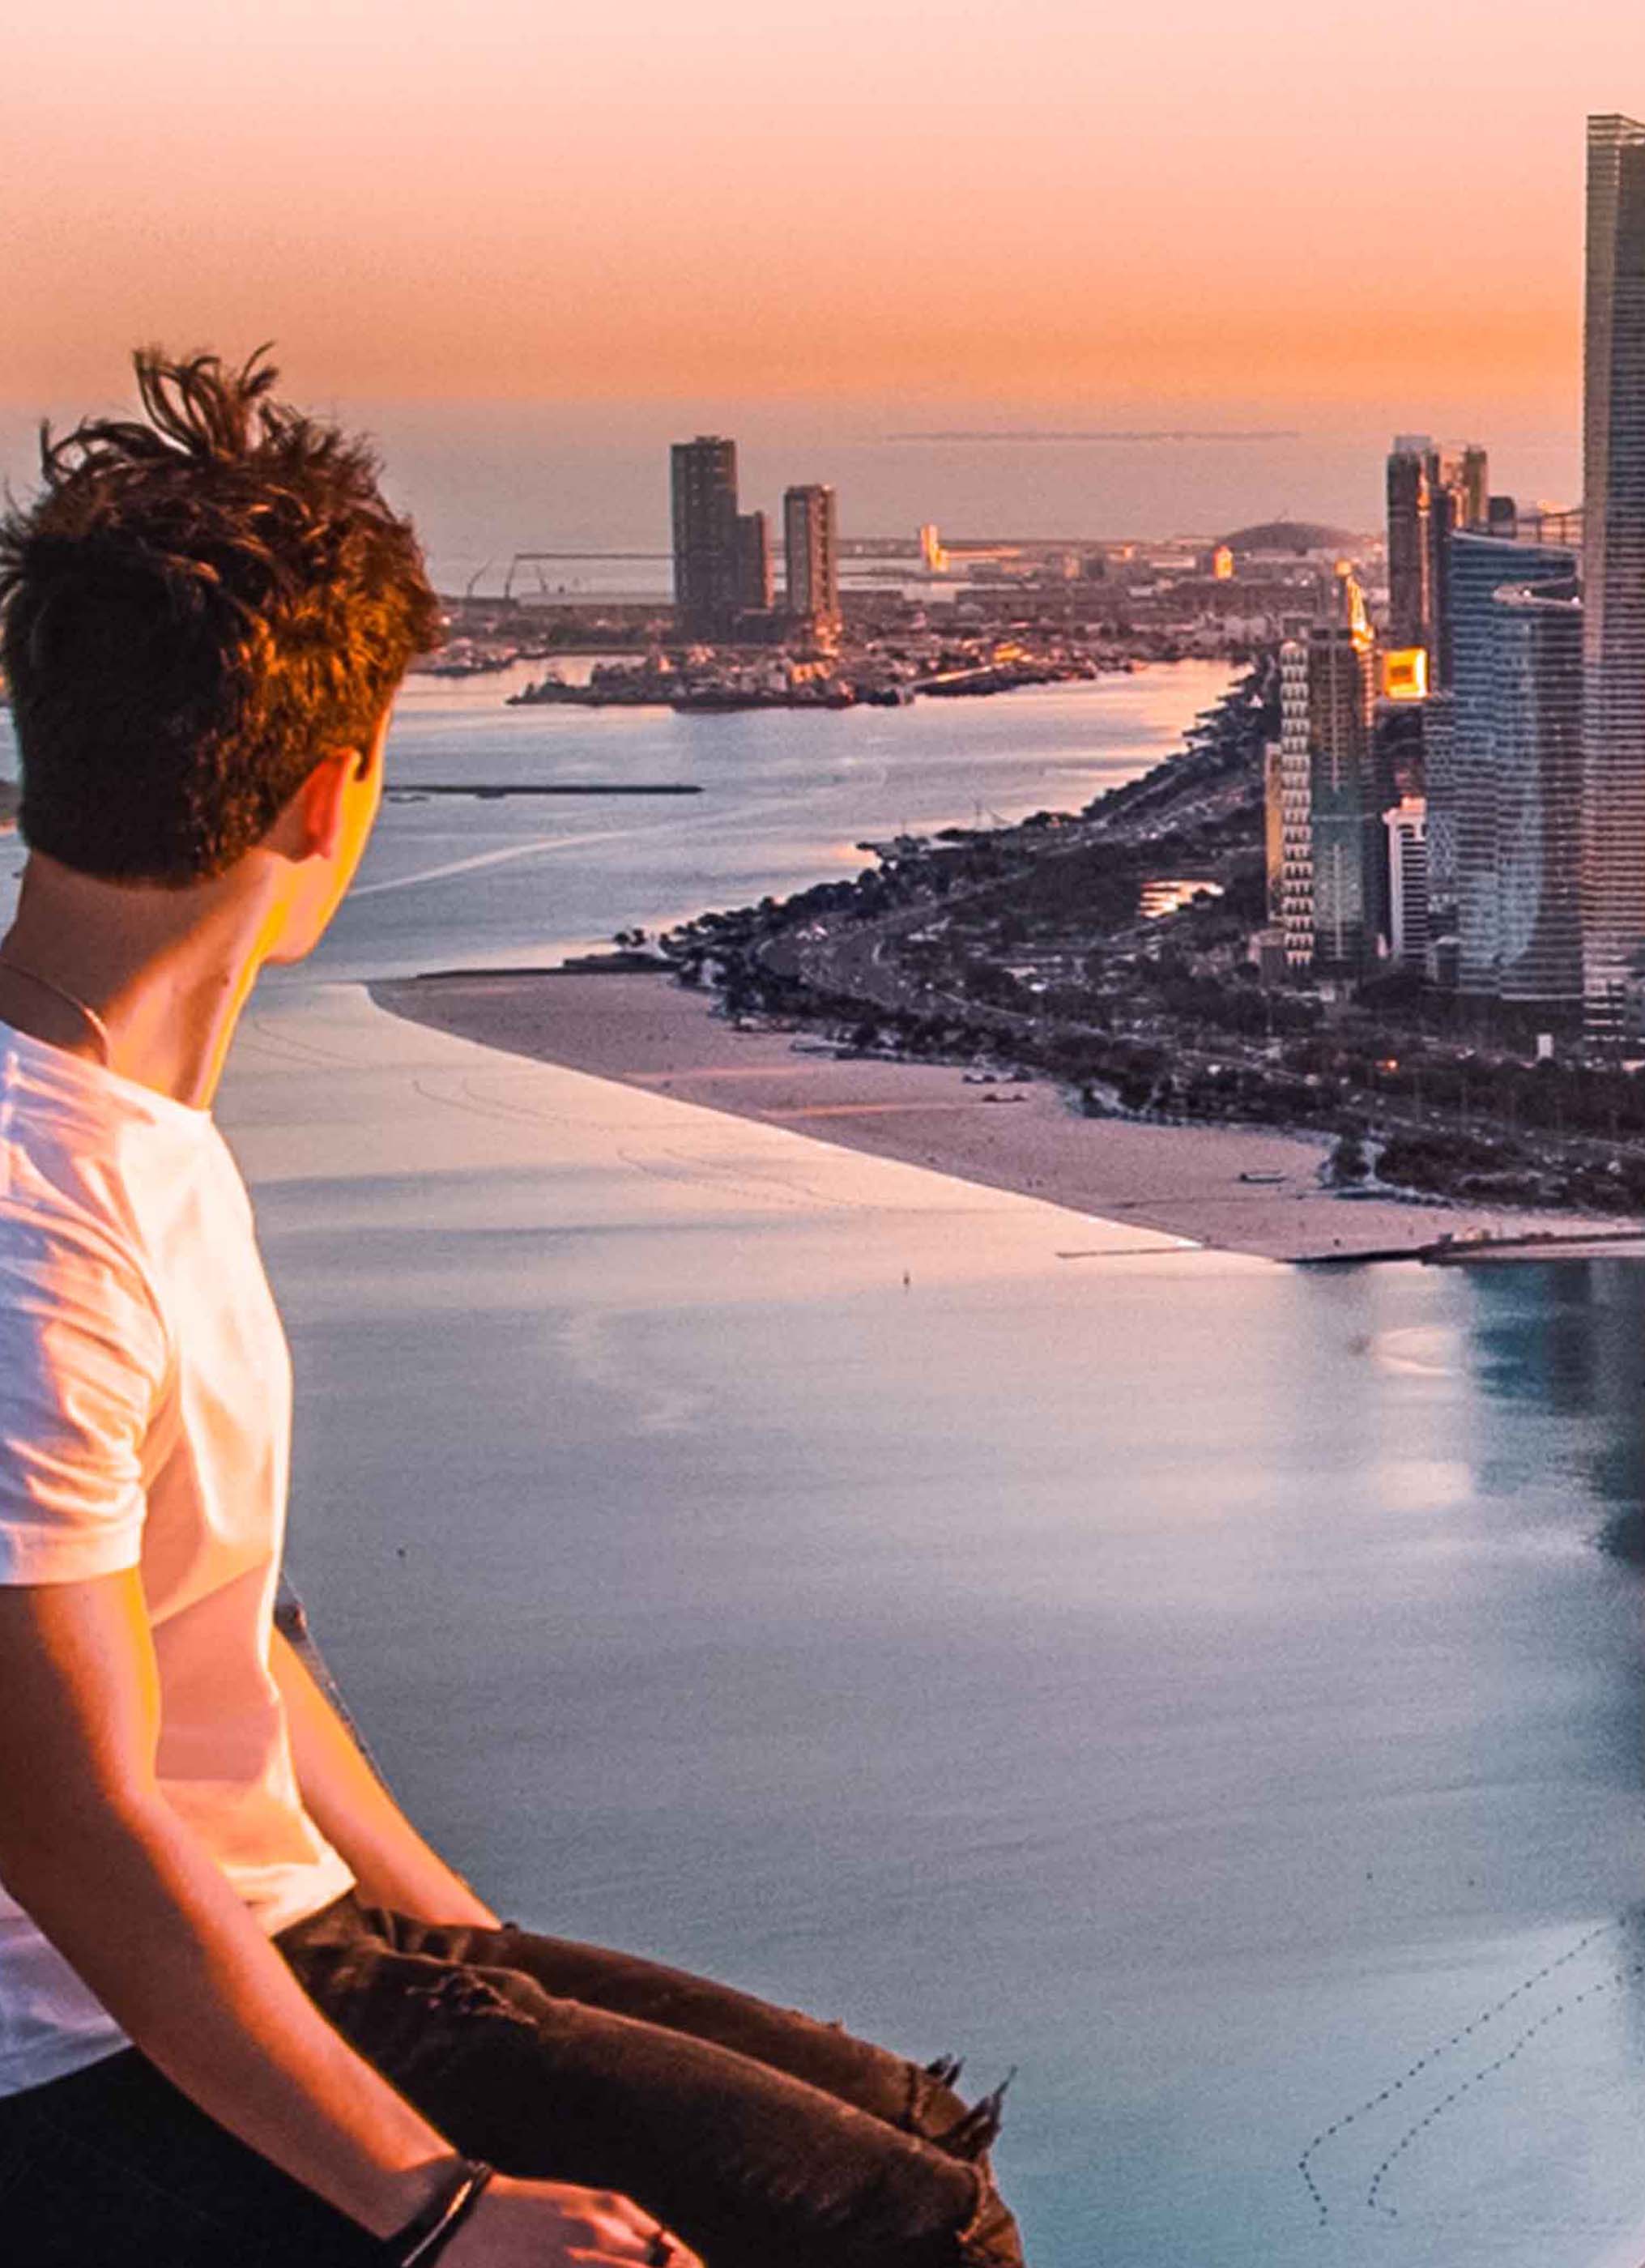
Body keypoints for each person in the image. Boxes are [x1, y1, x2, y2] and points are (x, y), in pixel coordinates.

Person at [0, 352, 1021, 2267]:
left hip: (282, 1916)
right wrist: (435, 2198)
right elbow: (58, 1814)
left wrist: (481, 1958)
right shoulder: (32, 1215)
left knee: (899, 2121)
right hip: (76, 2055)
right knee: (907, 2230)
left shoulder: (115, 1127)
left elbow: (223, 1647)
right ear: (332, 793)